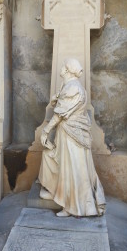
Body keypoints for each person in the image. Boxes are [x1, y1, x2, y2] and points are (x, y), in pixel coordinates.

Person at [38, 58, 105, 217]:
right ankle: (64, 199)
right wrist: (56, 99)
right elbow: (63, 108)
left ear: (68, 70)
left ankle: (70, 206)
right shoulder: (71, 87)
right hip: (70, 133)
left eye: (63, 66)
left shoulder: (72, 88)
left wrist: (46, 131)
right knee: (69, 167)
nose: (61, 69)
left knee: (72, 169)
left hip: (71, 134)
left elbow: (60, 114)